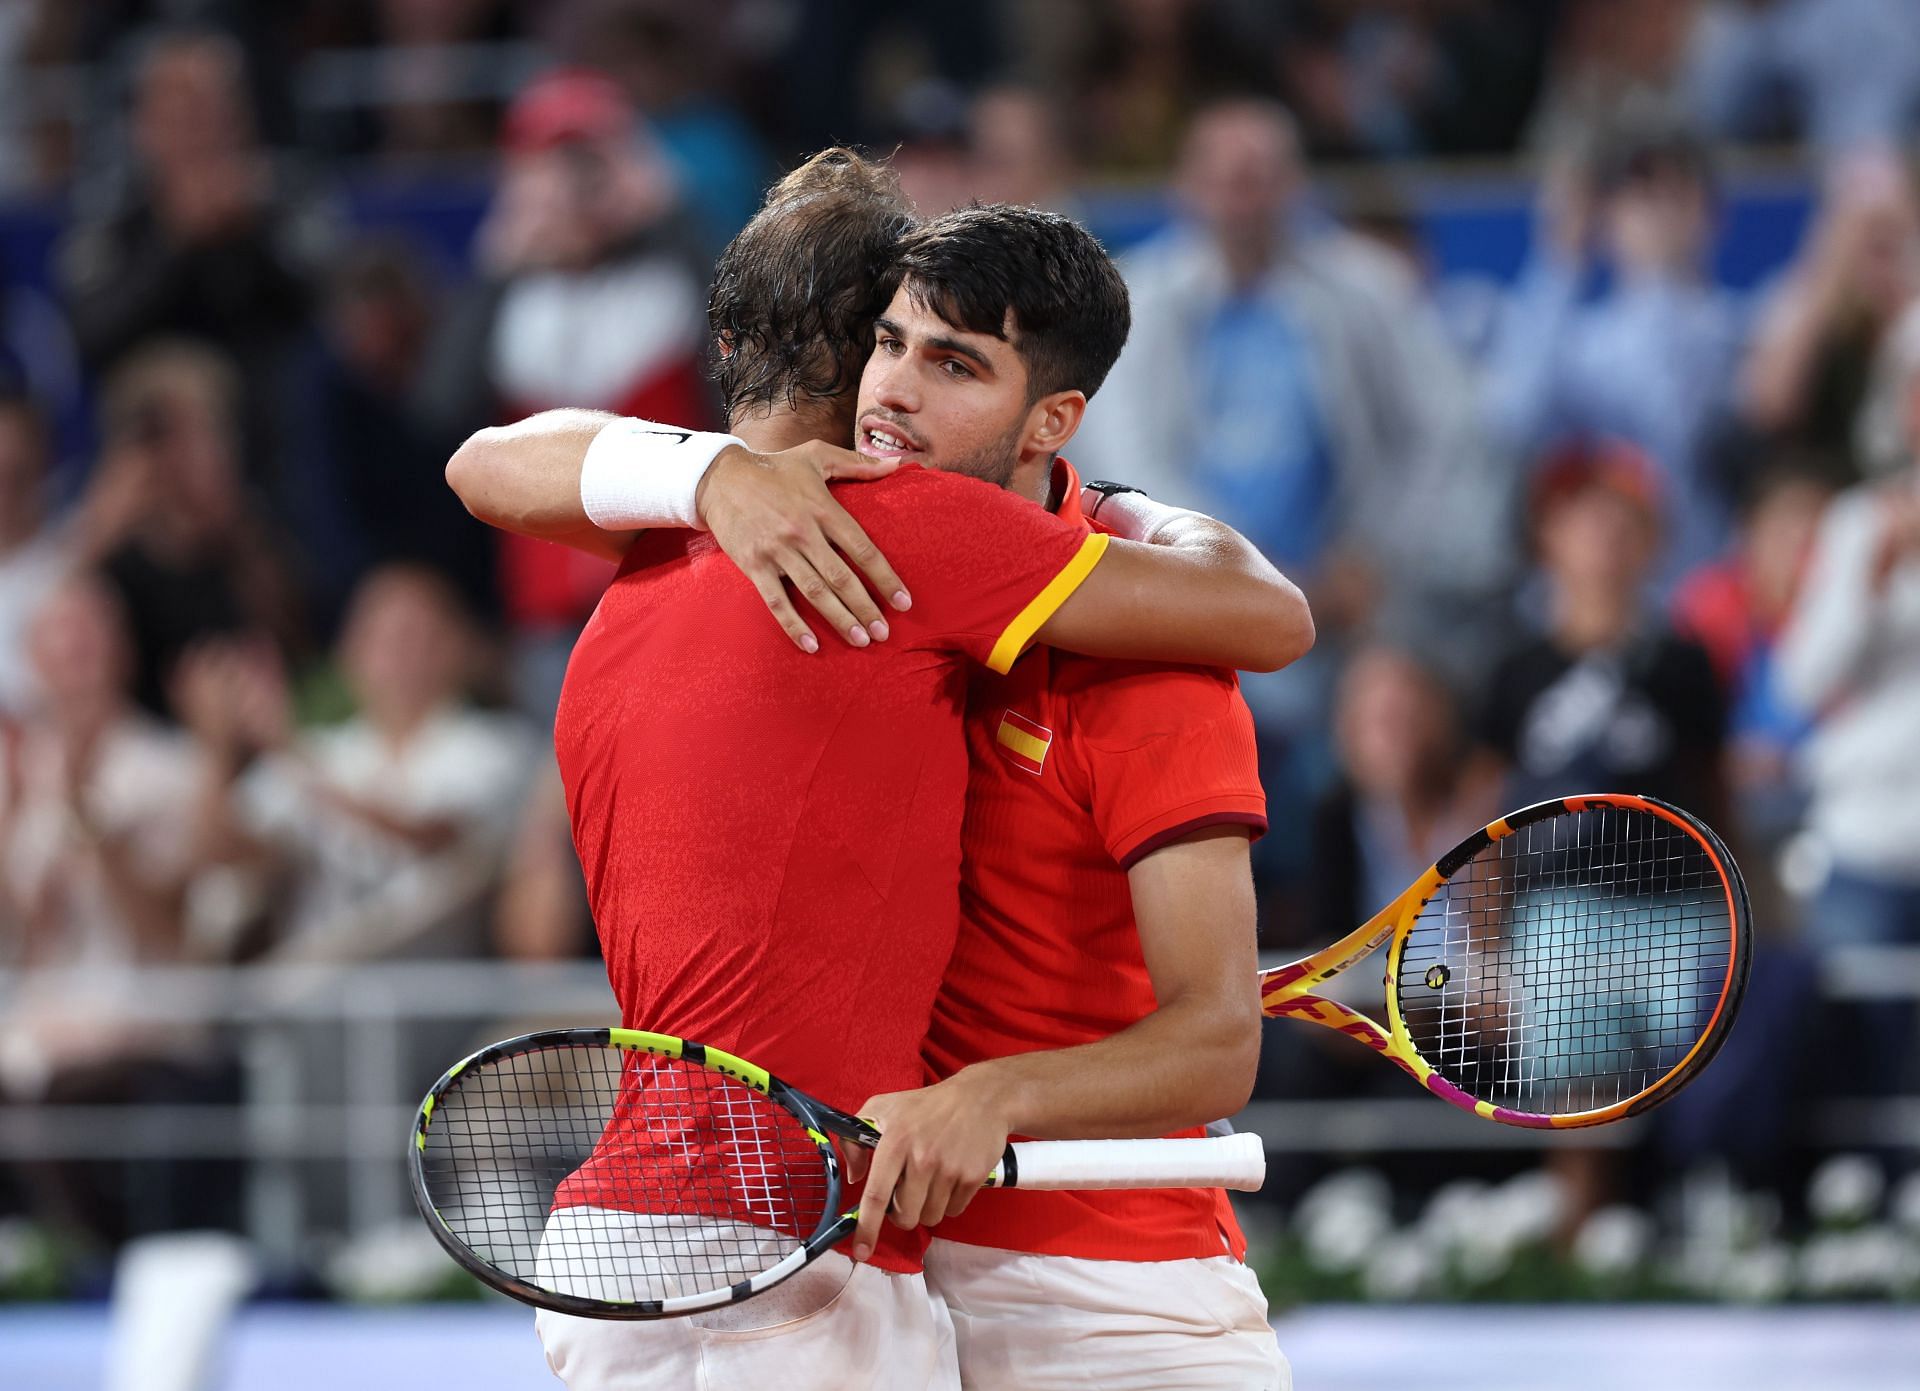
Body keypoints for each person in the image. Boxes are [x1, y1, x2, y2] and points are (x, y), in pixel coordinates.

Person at [448, 150, 1310, 1388]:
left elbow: (485, 461)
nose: (896, 390)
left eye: (951, 362)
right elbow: (488, 458)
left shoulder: (639, 569)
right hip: (838, 1240)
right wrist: (714, 473)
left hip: (1106, 1291)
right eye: (890, 344)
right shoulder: (865, 530)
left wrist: (992, 1096)